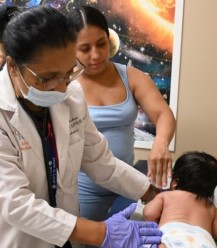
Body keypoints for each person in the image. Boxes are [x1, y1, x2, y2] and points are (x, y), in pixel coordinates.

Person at [0, 6, 163, 248]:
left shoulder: (71, 96)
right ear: (13, 66)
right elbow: (15, 204)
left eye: (69, 72)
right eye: (48, 78)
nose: (62, 87)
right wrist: (102, 233)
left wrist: (152, 193)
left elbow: (100, 161)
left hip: (67, 244)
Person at [66, 5, 176, 222]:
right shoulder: (64, 86)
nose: (96, 55)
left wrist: (160, 144)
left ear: (110, 40)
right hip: (83, 190)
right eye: (85, 49)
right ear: (70, 49)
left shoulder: (132, 77)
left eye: (101, 44)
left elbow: (163, 115)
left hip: (129, 183)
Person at [143, 151, 217, 248]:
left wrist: (155, 222)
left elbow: (149, 213)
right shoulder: (210, 206)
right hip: (203, 245)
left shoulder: (166, 196)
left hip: (170, 239)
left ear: (175, 181)